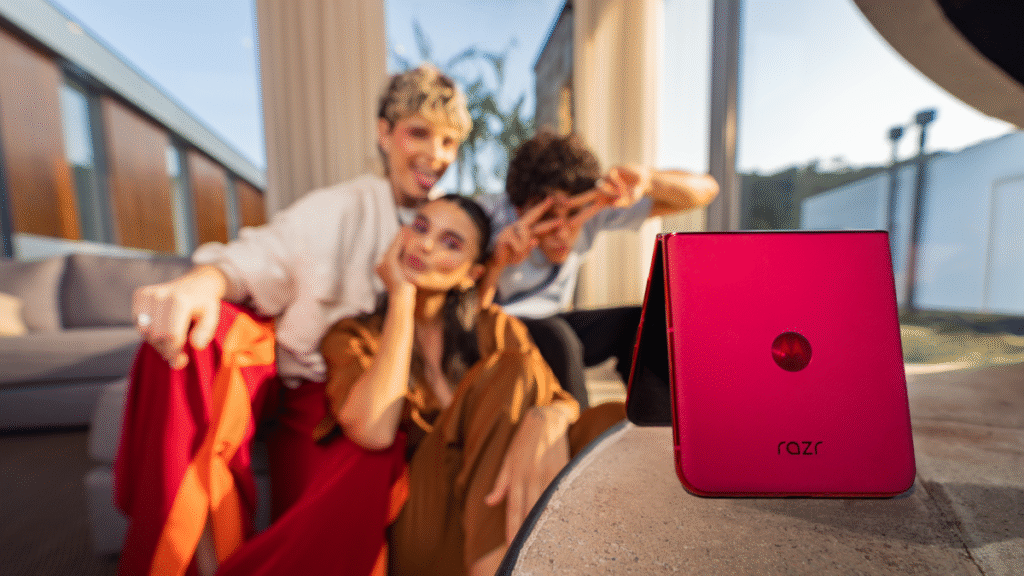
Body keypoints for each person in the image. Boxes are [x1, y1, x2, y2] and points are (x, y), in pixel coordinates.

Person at [116, 64, 473, 576]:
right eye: (419, 133)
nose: (436, 154)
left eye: (449, 142)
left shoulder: (444, 221)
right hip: (310, 385)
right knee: (193, 343)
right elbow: (265, 254)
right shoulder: (340, 207)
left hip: (376, 390)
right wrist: (204, 282)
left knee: (375, 460)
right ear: (384, 133)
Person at [214, 195, 621, 576]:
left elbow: (561, 402)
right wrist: (402, 298)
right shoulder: (353, 335)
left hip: (489, 507)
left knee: (611, 423)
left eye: (450, 243)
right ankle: (501, 564)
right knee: (512, 371)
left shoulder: (494, 327)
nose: (425, 245)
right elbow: (373, 429)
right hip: (421, 522)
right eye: (421, 227)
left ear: (472, 274)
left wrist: (545, 418)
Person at [476, 131, 719, 407]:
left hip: (554, 324)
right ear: (519, 209)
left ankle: (653, 420)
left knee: (642, 323)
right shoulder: (489, 217)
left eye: (572, 214)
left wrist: (649, 181)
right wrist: (494, 262)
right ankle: (577, 430)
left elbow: (706, 191)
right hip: (497, 333)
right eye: (548, 217)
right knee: (558, 337)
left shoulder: (592, 212)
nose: (563, 232)